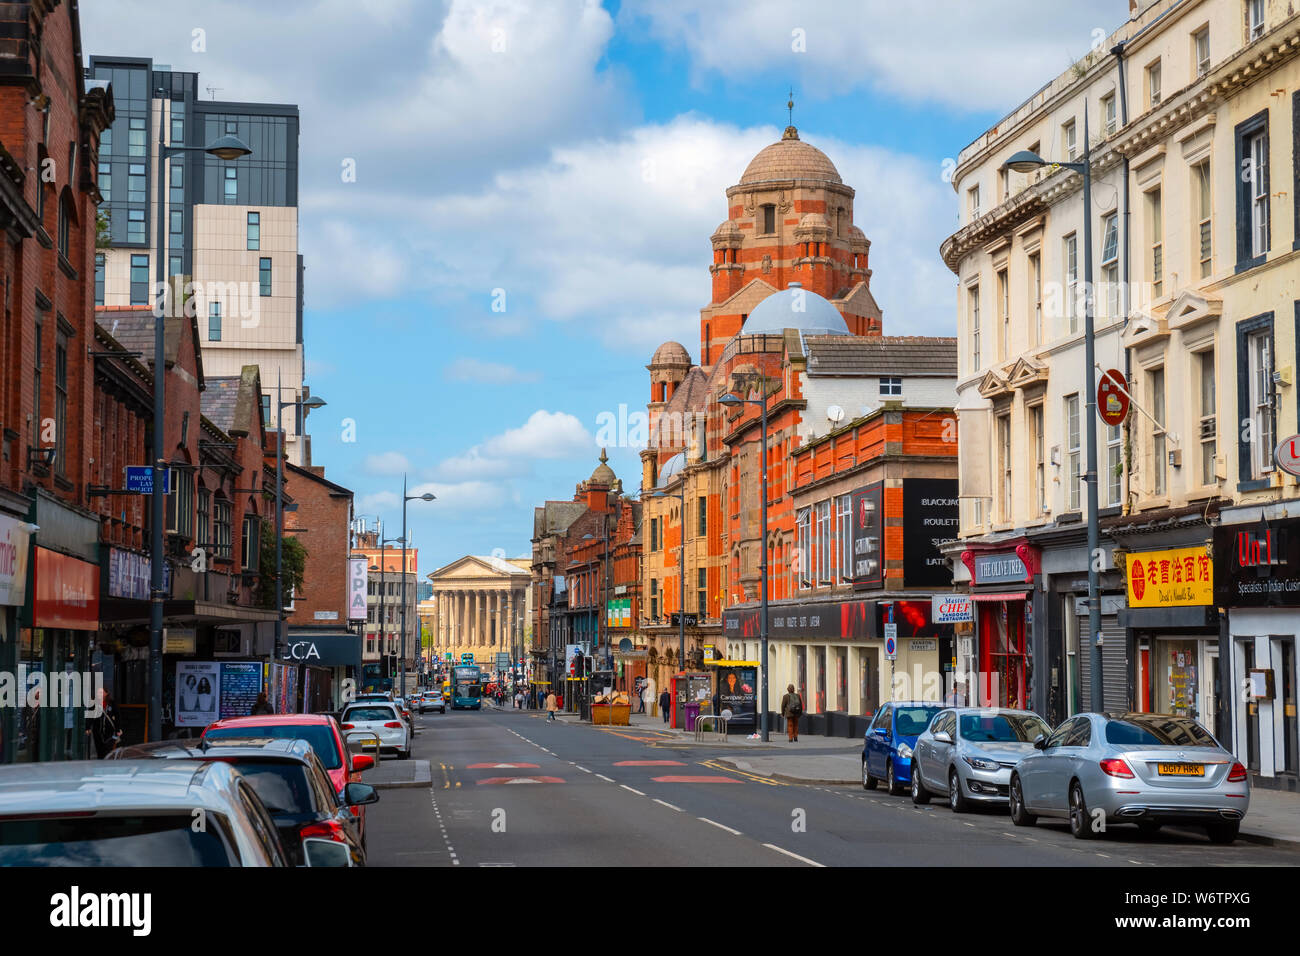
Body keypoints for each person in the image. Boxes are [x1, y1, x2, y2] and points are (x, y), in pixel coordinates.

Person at [89, 688, 122, 758]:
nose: (99, 694)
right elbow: (90, 716)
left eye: (101, 692)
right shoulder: (94, 704)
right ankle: (100, 763)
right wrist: (87, 727)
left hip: (110, 731)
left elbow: (117, 716)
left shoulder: (112, 703)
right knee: (99, 750)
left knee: (107, 750)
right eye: (98, 693)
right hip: (97, 731)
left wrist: (118, 729)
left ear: (106, 693)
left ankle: (106, 763)